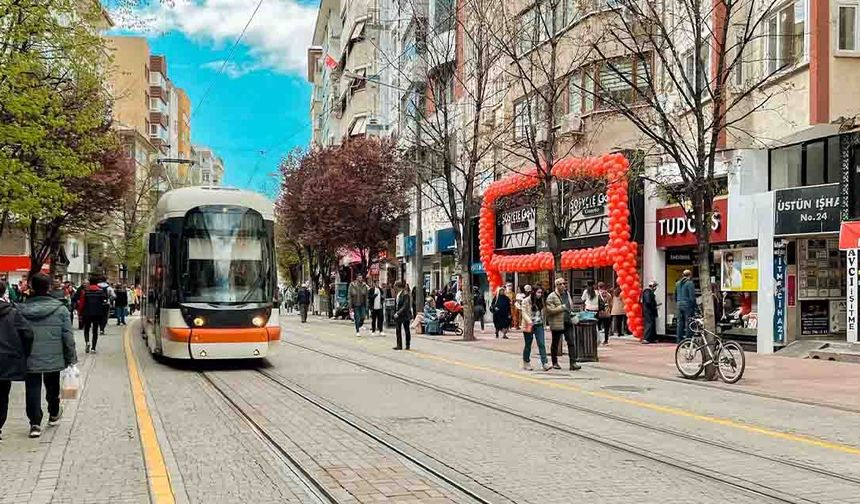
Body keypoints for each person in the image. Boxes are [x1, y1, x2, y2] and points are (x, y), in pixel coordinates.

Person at [18, 273, 76, 439]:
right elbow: (68, 337)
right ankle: (54, 412)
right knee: (52, 385)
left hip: (29, 356)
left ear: (31, 287)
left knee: (32, 388)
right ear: (49, 287)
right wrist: (71, 358)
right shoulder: (61, 309)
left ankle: (35, 423)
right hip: (54, 356)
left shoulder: (20, 309)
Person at [0, 281, 35, 441]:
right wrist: (23, 353)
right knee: (2, 394)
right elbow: (28, 334)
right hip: (6, 359)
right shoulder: (13, 313)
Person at [546, 277, 581, 371]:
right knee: (555, 343)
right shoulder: (551, 296)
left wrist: (573, 314)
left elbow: (570, 306)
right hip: (557, 323)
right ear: (556, 285)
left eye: (564, 284)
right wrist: (561, 308)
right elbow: (550, 310)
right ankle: (555, 362)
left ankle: (573, 363)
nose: (563, 286)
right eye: (560, 284)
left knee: (571, 342)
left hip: (568, 321)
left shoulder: (567, 294)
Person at [520, 286, 550, 371]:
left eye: (541, 293)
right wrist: (529, 321)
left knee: (541, 343)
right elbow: (524, 313)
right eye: (538, 292)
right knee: (528, 344)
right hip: (528, 324)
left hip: (539, 324)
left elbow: (543, 313)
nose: (540, 294)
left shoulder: (541, 301)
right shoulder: (526, 301)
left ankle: (544, 363)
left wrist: (545, 323)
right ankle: (526, 362)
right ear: (533, 292)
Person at [77, 277, 108, 354]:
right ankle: (93, 348)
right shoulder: (101, 291)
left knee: (86, 329)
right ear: (97, 283)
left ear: (90, 282)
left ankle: (87, 342)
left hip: (87, 313)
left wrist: (80, 312)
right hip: (97, 313)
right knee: (95, 330)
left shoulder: (85, 292)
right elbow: (104, 302)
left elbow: (82, 303)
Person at [675, 269, 696, 343]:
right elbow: (692, 297)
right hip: (687, 304)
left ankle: (679, 340)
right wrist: (695, 306)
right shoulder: (690, 283)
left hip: (679, 304)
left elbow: (675, 295)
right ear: (690, 275)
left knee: (680, 323)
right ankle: (688, 341)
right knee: (689, 323)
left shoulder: (677, 283)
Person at [393, 280, 412, 350]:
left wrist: (398, 313)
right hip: (398, 315)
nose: (394, 288)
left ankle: (407, 344)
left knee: (406, 330)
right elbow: (397, 304)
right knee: (398, 330)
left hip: (405, 315)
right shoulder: (398, 294)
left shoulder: (405, 294)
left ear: (398, 287)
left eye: (395, 286)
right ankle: (399, 345)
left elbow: (405, 306)